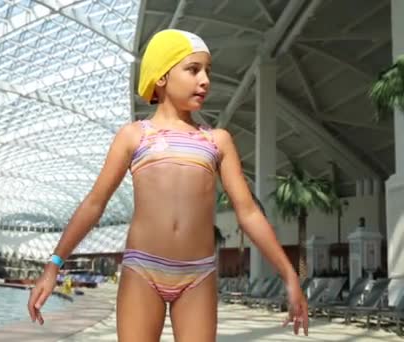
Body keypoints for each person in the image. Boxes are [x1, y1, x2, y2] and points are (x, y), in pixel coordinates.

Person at [27, 29, 308, 340]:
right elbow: (95, 203)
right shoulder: (135, 135)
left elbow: (249, 213)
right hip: (142, 270)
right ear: (161, 77)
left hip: (198, 274)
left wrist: (289, 274)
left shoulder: (216, 141)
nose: (205, 81)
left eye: (207, 72)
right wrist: (53, 264)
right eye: (193, 69)